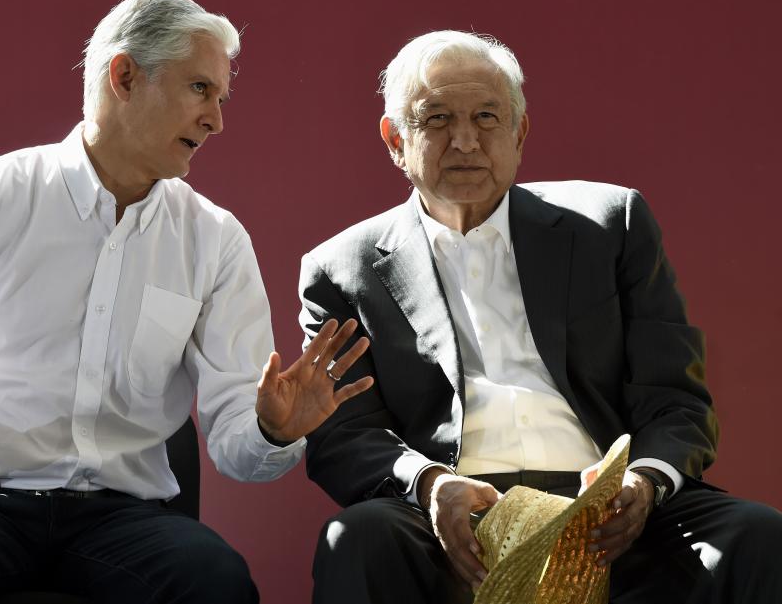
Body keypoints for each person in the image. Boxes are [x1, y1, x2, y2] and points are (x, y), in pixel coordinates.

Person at [0, 0, 373, 604]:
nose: (217, 119)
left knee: (217, 585)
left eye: (221, 97)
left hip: (127, 519)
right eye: (200, 89)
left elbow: (235, 443)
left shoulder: (214, 240)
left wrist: (273, 431)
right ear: (125, 75)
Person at [298, 30, 782, 604]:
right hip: (454, 514)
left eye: (486, 117)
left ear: (519, 132)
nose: (466, 141)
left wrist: (645, 481)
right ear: (394, 139)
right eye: (436, 120)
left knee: (755, 536)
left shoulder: (610, 224)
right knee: (357, 538)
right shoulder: (341, 268)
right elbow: (345, 434)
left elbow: (676, 396)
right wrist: (430, 485)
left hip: (608, 506)